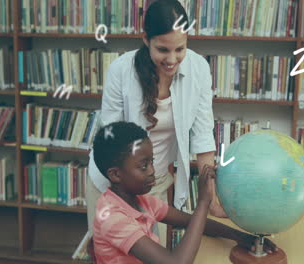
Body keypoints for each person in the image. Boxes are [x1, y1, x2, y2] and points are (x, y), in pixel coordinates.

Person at [87, 0, 226, 245]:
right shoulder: (120, 70)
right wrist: (124, 201)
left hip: (156, 181)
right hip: (115, 184)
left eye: (180, 49)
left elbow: (203, 138)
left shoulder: (199, 69)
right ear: (146, 40)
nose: (172, 59)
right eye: (163, 50)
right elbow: (111, 137)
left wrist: (212, 200)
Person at [92, 122, 278, 264]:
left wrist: (242, 237)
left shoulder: (142, 200)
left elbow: (192, 222)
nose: (152, 171)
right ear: (115, 174)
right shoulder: (112, 217)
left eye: (151, 161)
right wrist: (203, 202)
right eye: (143, 166)